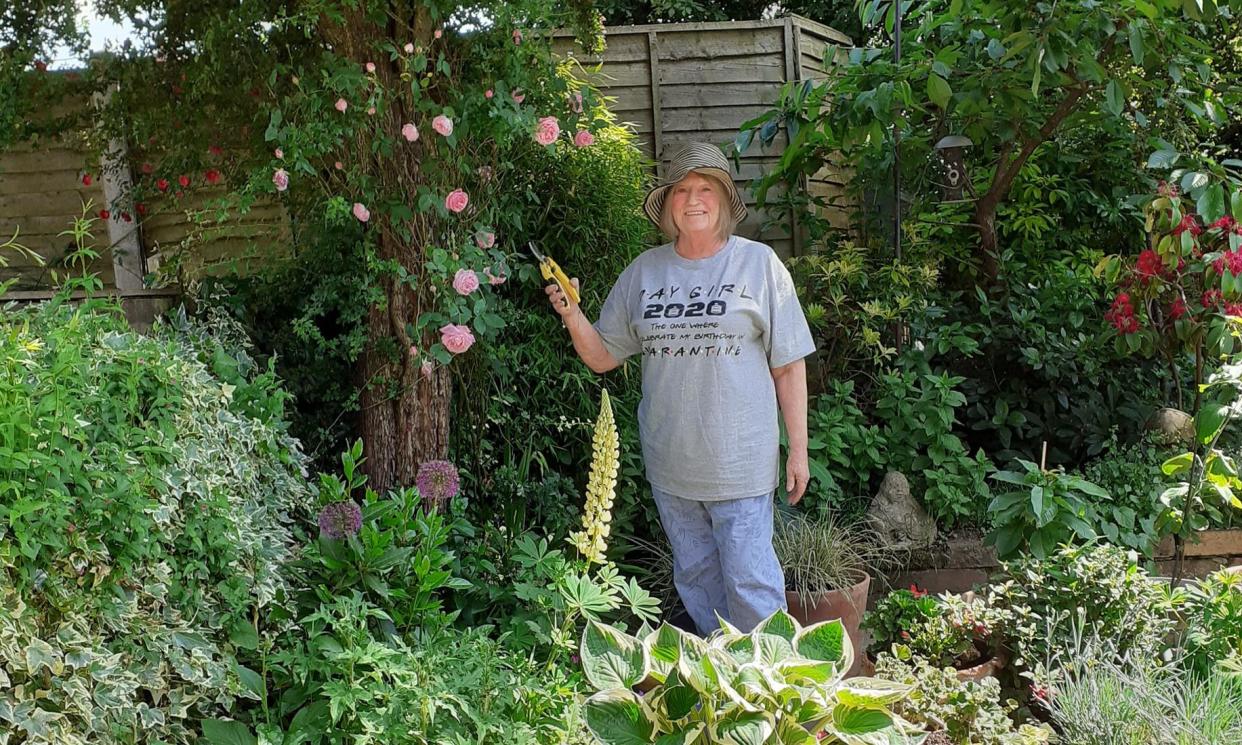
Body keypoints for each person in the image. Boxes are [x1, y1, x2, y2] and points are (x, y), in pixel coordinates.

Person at [545, 142, 815, 634]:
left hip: (740, 467)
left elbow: (789, 365)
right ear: (669, 204)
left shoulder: (759, 265)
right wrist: (572, 313)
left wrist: (798, 450)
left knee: (753, 586)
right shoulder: (644, 273)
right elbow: (604, 356)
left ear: (724, 201)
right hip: (672, 466)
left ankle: (773, 691)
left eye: (706, 188)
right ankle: (722, 690)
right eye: (683, 190)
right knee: (697, 582)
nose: (694, 199)